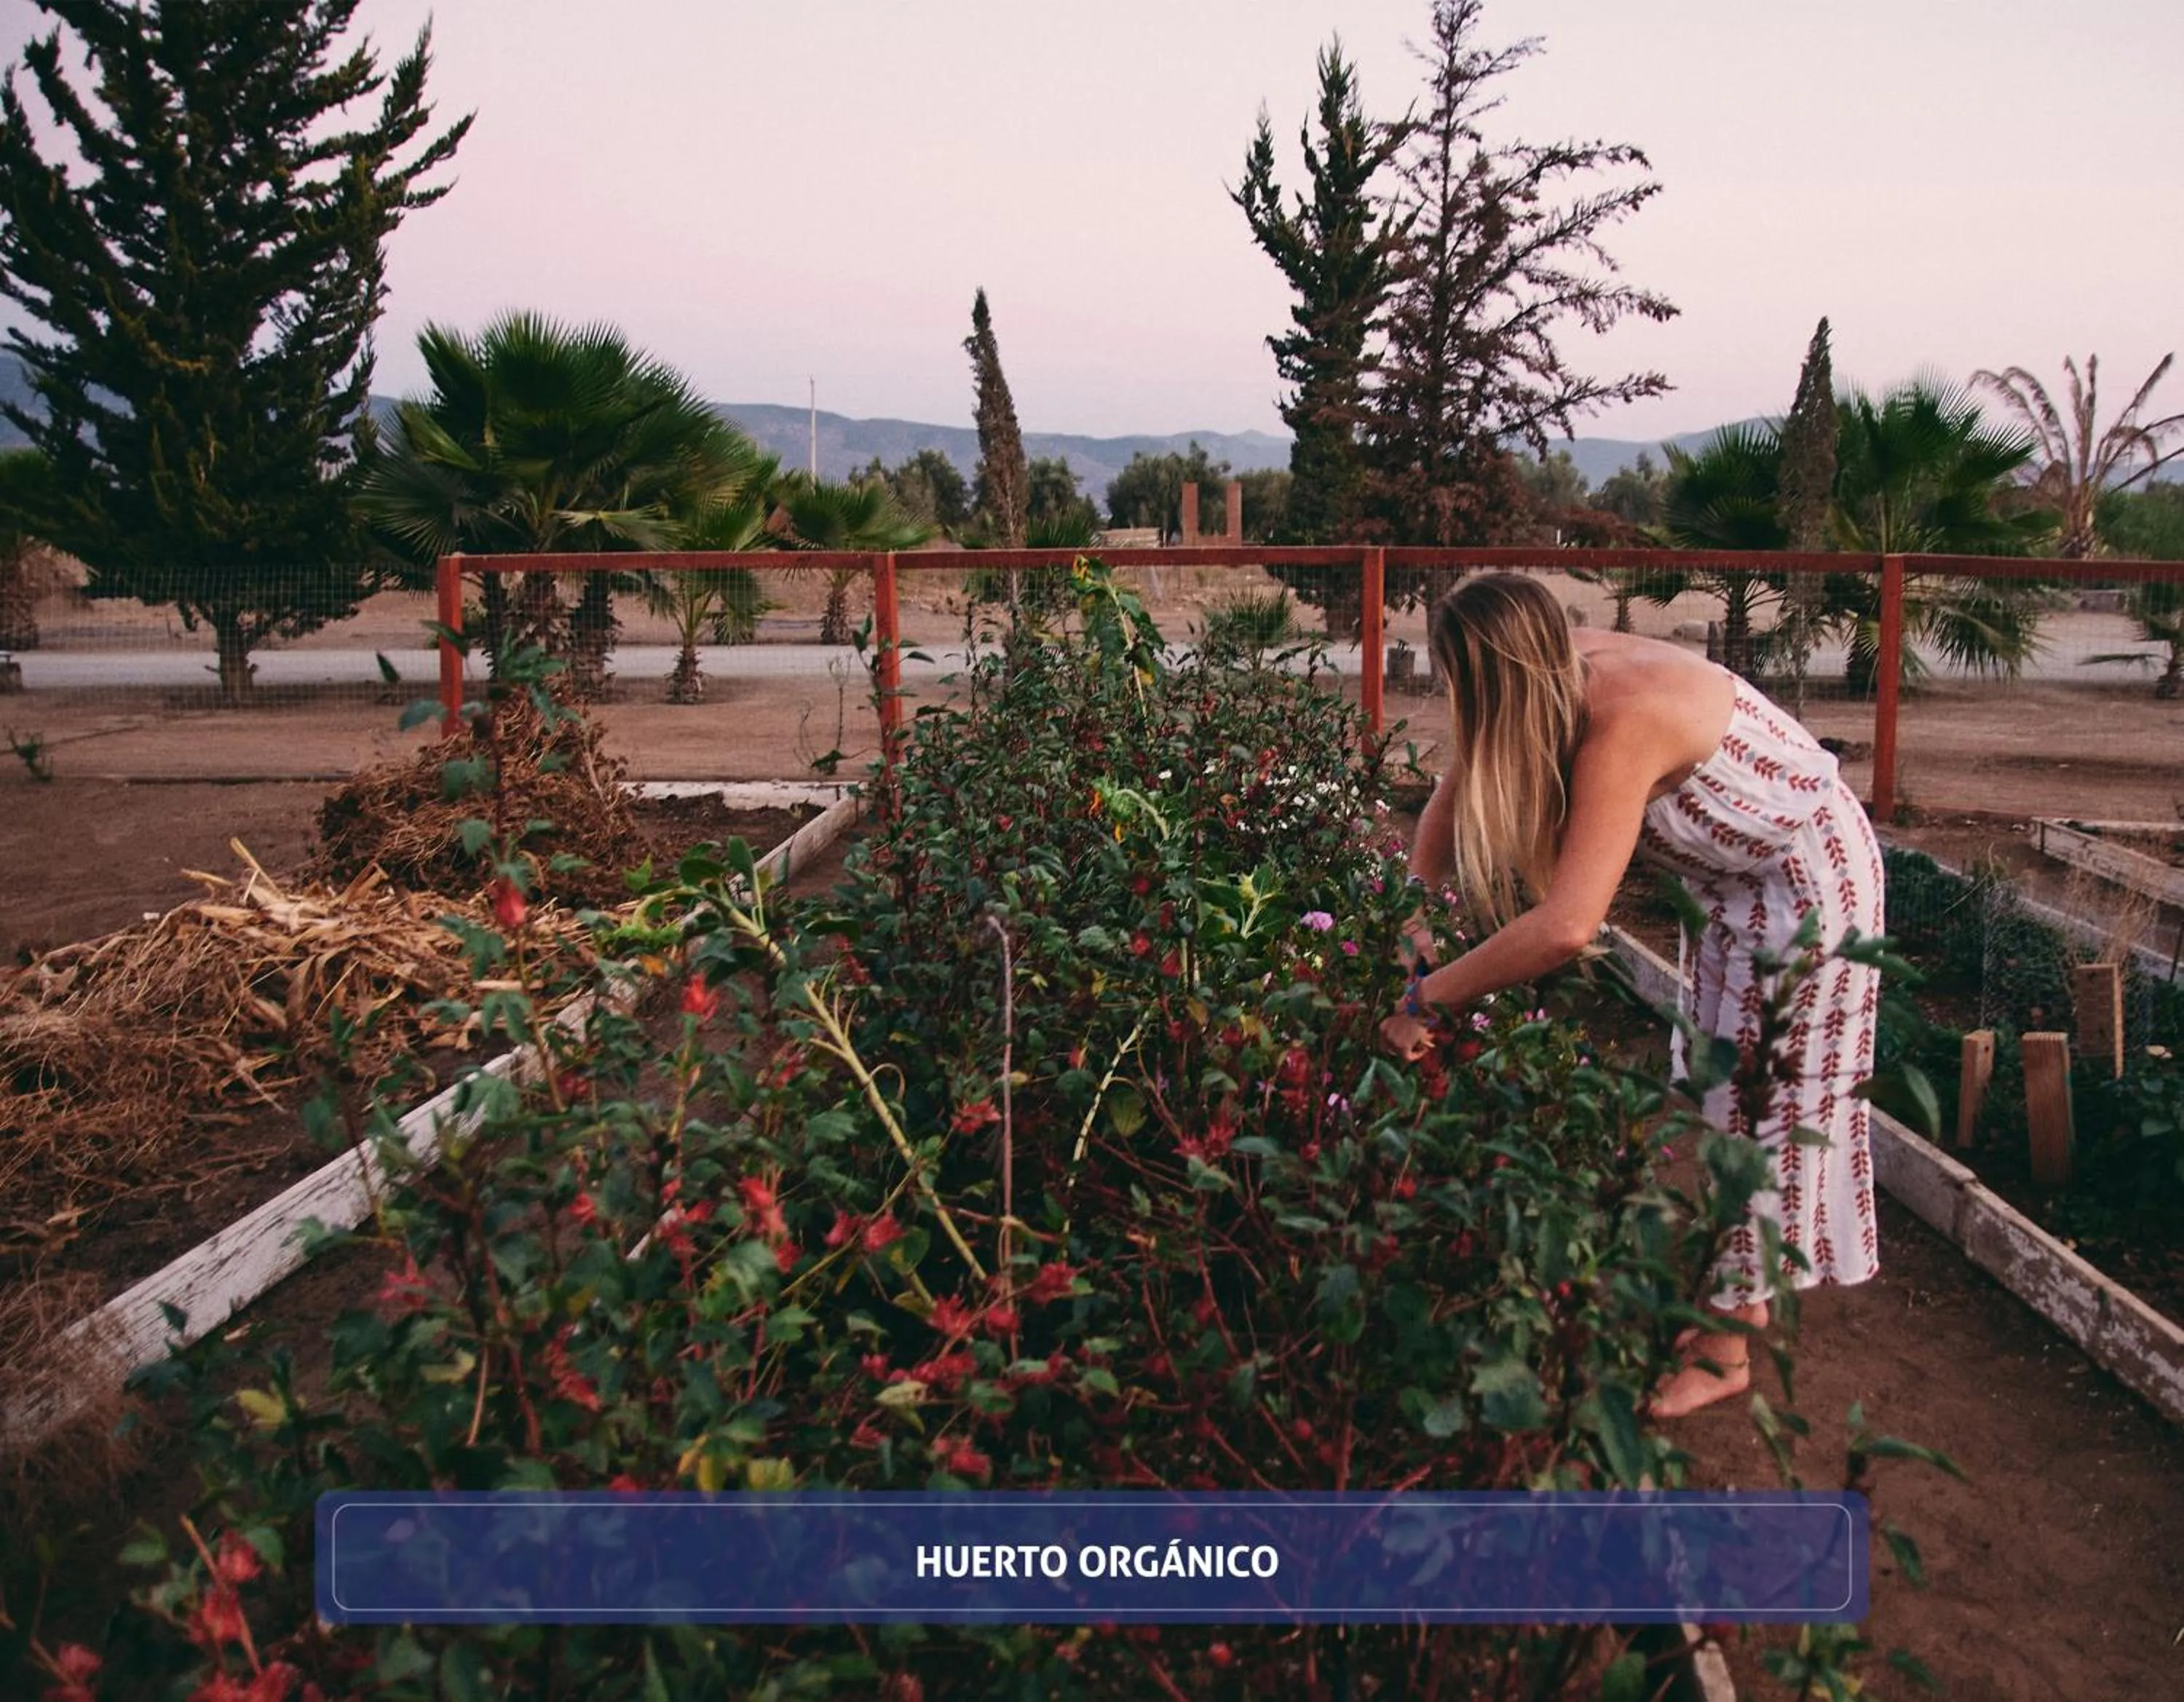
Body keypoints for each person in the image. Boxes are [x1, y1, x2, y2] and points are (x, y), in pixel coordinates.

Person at [1378, 572, 1883, 1418]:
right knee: (1719, 1096)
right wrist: (1417, 910)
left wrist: (1425, 1000)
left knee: (1767, 1110)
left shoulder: (1622, 723)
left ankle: (1728, 1354)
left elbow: (1569, 925)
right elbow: (1453, 788)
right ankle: (1738, 1300)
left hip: (1810, 884)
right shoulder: (1540, 671)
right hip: (1732, 888)